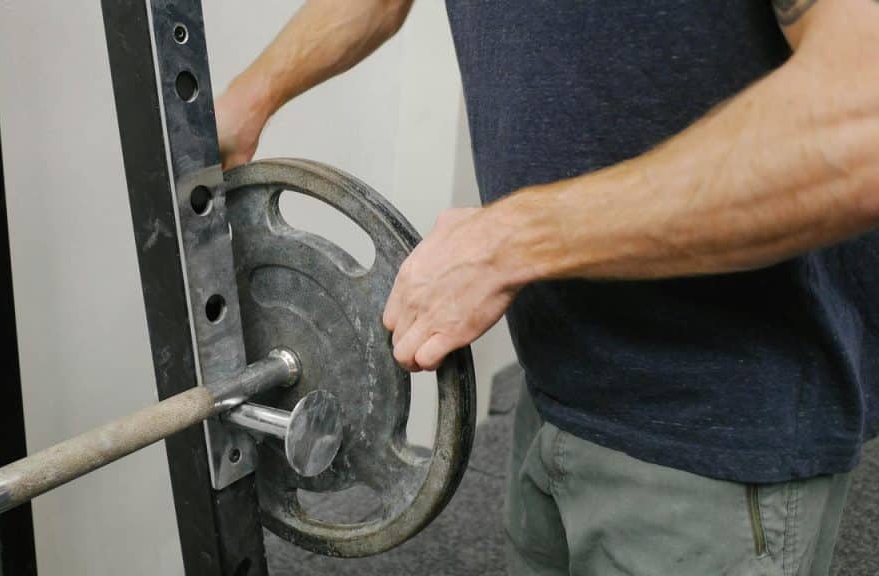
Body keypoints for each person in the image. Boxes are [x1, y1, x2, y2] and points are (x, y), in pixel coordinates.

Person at [215, 1, 879, 574]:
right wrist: (249, 99)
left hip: (720, 422)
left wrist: (515, 241)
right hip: (558, 373)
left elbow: (860, 129)